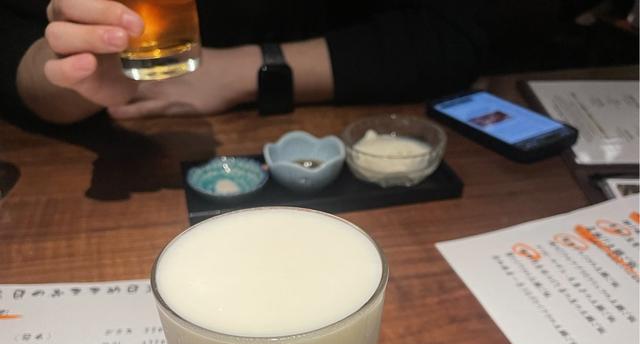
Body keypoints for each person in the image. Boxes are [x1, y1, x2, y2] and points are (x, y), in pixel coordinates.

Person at [0, 0, 486, 124]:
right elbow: (15, 50)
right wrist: (71, 73)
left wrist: (246, 69)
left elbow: (454, 31)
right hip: (132, 143)